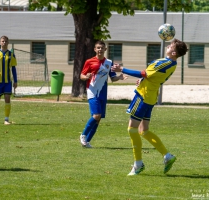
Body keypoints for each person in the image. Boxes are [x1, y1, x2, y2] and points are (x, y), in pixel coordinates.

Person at [112, 38, 188, 175]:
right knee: (144, 130)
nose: (169, 46)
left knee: (132, 129)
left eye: (171, 46)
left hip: (142, 96)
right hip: (151, 97)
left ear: (174, 52)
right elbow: (151, 76)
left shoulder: (165, 62)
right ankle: (167, 155)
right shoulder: (172, 63)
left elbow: (144, 73)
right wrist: (143, 79)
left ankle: (138, 164)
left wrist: (122, 69)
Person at [79, 40, 127, 148]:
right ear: (95, 49)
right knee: (96, 115)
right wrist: (86, 77)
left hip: (103, 93)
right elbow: (81, 75)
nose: (100, 49)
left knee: (98, 119)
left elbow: (113, 78)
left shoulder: (109, 63)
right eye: (98, 48)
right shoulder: (89, 62)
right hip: (92, 91)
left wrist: (119, 77)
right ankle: (83, 135)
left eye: (102, 48)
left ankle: (87, 142)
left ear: (105, 49)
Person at [0, 35, 17, 125]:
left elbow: (13, 68)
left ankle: (6, 119)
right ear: (0, 42)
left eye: (6, 41)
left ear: (8, 43)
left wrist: (15, 81)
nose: (4, 43)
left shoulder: (11, 54)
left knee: (7, 99)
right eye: (3, 41)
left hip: (7, 82)